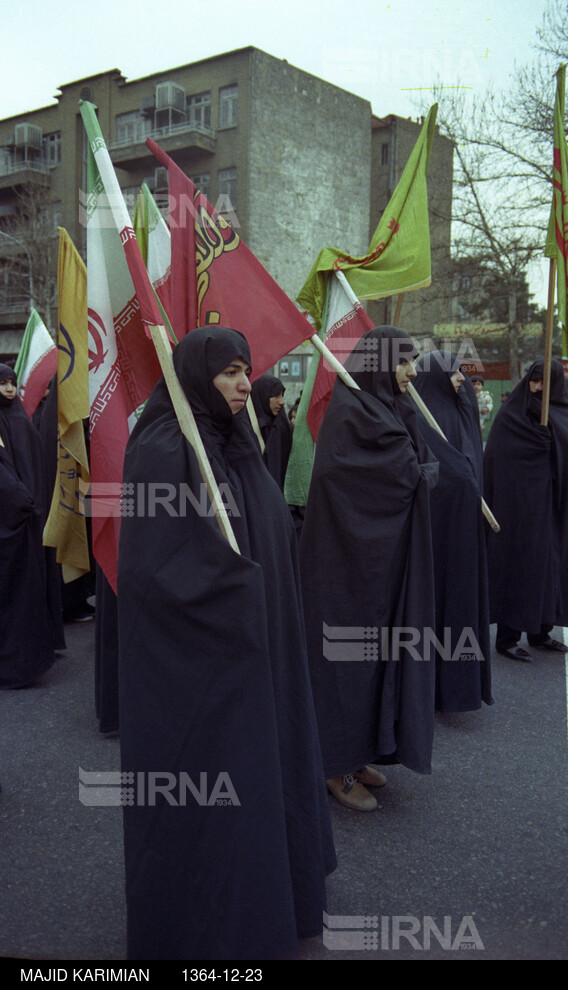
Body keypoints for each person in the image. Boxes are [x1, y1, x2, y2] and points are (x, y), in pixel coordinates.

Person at [117, 327, 336, 960]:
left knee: (264, 782)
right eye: (230, 373)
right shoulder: (164, 448)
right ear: (195, 377)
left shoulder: (238, 442)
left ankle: (275, 897)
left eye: (247, 371)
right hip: (201, 671)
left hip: (260, 652)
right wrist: (232, 592)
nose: (245, 384)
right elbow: (154, 571)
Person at [299, 326, 439, 812]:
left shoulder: (385, 407)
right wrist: (419, 473)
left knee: (376, 661)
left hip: (382, 565)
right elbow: (378, 477)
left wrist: (421, 470)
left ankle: (358, 755)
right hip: (346, 569)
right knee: (346, 663)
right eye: (405, 361)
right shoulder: (352, 414)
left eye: (415, 360)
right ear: (382, 363)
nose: (413, 372)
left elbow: (415, 463)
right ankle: (332, 764)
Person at [414, 351, 492, 712]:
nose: (461, 378)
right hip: (437, 534)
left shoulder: (460, 412)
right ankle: (428, 689)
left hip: (464, 533)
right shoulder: (421, 416)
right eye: (454, 372)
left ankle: (460, 687)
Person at [484, 359, 568, 661]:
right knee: (521, 566)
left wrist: (554, 445)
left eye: (545, 381)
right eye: (534, 380)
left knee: (549, 567)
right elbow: (497, 457)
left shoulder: (560, 412)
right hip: (519, 508)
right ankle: (507, 638)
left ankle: (541, 631)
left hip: (552, 507)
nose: (538, 387)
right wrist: (535, 448)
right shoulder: (512, 414)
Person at [0, 364, 62, 688]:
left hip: (29, 517)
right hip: (11, 520)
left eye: (12, 382)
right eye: (3, 383)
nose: (9, 389)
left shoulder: (19, 419)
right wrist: (22, 501)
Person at [250, 374, 293, 489]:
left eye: (282, 396)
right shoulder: (247, 428)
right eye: (276, 396)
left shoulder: (282, 428)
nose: (282, 402)